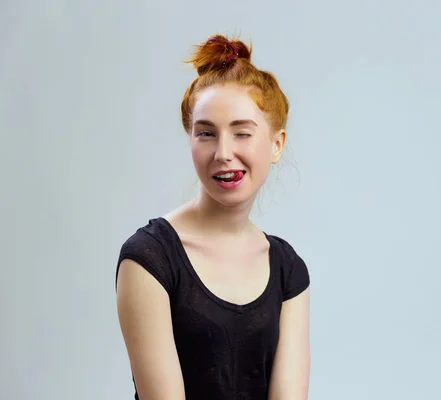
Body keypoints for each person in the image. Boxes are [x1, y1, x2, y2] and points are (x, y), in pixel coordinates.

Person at [115, 34, 311, 400]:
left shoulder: (288, 270)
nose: (223, 153)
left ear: (276, 144)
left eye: (242, 133)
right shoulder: (149, 258)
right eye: (206, 133)